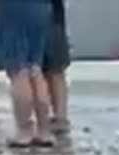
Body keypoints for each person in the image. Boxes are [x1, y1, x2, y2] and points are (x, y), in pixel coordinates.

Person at [0, 0, 55, 148]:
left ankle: (24, 131)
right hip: (41, 7)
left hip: (12, 7)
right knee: (35, 68)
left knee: (19, 70)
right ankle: (44, 130)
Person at [42, 0, 70, 131]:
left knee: (51, 71)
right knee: (54, 71)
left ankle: (58, 116)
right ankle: (59, 116)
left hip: (51, 18)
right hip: (53, 18)